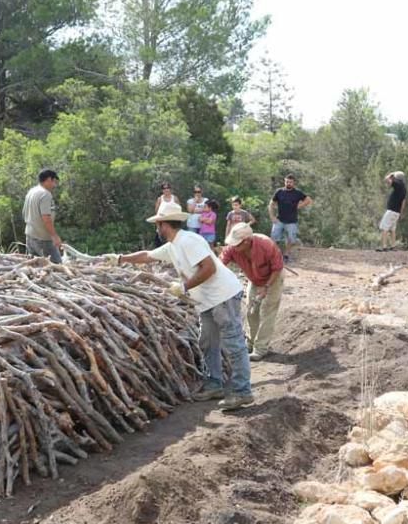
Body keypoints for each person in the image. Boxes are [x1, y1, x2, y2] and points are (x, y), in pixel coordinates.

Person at [103, 211, 253, 410]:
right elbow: (147, 256)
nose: (157, 228)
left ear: (164, 225)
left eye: (158, 224)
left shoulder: (189, 240)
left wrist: (184, 287)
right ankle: (214, 384)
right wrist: (121, 258)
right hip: (207, 301)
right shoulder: (173, 245)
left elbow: (209, 268)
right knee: (207, 342)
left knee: (233, 343)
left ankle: (242, 392)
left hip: (223, 295)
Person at [221, 223, 285, 362]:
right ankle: (250, 344)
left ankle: (261, 349)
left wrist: (266, 286)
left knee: (267, 311)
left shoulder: (267, 245)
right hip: (254, 279)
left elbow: (277, 268)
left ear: (247, 241)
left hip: (273, 279)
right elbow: (220, 264)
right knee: (251, 311)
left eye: (237, 244)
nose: (234, 247)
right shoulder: (232, 249)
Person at [269, 174, 312, 263]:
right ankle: (276, 256)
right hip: (279, 220)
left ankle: (286, 255)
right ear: (284, 181)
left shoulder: (297, 193)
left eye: (290, 182)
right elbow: (271, 204)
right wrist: (272, 217)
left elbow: (308, 200)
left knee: (292, 240)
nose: (288, 183)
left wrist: (299, 206)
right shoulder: (279, 191)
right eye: (287, 181)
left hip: (292, 221)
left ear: (293, 183)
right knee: (274, 239)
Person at [24, 169, 63, 264]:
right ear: (49, 179)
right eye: (54, 182)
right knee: (57, 267)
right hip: (43, 240)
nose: (54, 186)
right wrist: (54, 236)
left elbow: (24, 212)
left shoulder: (31, 191)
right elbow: (46, 218)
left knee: (36, 267)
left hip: (30, 236)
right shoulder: (45, 194)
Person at [378, 171, 407, 252]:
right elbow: (403, 202)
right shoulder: (404, 188)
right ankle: (393, 246)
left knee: (384, 228)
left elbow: (386, 179)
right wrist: (401, 213)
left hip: (391, 211)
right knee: (393, 229)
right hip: (397, 212)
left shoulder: (397, 184)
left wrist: (391, 174)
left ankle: (384, 246)